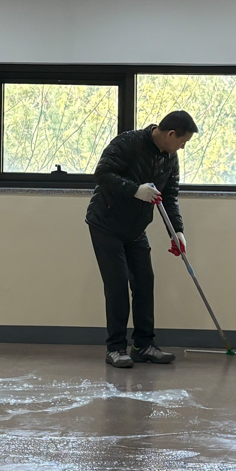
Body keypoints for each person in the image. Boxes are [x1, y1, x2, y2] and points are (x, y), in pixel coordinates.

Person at [86, 110, 197, 368]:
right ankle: (115, 349)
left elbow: (170, 195)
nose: (182, 147)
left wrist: (177, 232)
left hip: (136, 229)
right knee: (117, 285)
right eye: (182, 141)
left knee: (144, 283)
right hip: (106, 224)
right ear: (171, 134)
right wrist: (135, 190)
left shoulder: (170, 158)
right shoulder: (127, 143)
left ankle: (143, 345)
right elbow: (103, 174)